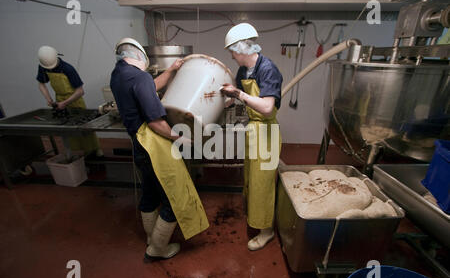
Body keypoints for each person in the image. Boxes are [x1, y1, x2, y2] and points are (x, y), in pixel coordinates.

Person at [110, 38, 209, 260]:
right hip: (152, 144)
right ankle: (158, 248)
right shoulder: (140, 76)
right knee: (175, 198)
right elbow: (155, 122)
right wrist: (179, 137)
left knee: (150, 193)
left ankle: (151, 238)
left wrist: (172, 71)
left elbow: (150, 87)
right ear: (139, 56)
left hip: (137, 142)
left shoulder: (118, 75)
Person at [221, 23, 283, 251]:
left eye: (232, 51)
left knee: (263, 183)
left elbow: (267, 107)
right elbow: (238, 97)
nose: (232, 56)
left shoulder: (268, 69)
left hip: (266, 131)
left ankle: (267, 230)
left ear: (241, 49)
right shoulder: (243, 72)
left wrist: (237, 93)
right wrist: (222, 97)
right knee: (250, 177)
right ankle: (255, 217)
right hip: (253, 130)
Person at [36, 46, 103, 158]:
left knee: (84, 129)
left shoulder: (68, 69)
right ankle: (76, 154)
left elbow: (80, 91)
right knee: (68, 130)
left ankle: (94, 151)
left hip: (75, 100)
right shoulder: (44, 67)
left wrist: (65, 103)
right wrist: (48, 99)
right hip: (60, 101)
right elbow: (41, 83)